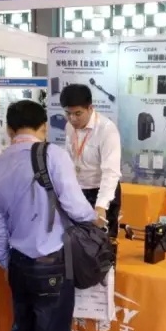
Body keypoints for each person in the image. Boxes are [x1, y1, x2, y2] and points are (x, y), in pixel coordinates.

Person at [0, 100, 95, 331]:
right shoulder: (53, 155)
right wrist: (95, 220)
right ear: (43, 127)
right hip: (53, 263)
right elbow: (76, 207)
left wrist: (5, 262)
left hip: (18, 262)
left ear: (9, 130)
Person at [60, 84, 122, 236]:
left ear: (90, 108)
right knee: (78, 240)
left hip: (101, 191)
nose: (72, 119)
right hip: (78, 190)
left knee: (102, 241)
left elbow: (111, 172)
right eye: (68, 113)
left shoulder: (107, 129)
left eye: (78, 113)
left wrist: (101, 205)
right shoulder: (69, 126)